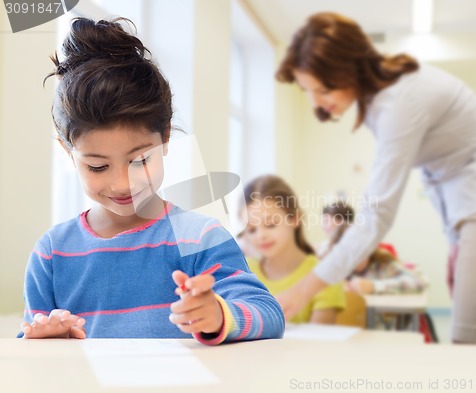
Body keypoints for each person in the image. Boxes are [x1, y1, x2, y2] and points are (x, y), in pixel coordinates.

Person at [18, 17, 285, 344]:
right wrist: (47, 339)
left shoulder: (199, 238)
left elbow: (267, 312)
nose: (122, 184)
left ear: (167, 136)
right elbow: (30, 341)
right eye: (98, 167)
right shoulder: (52, 253)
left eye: (140, 160)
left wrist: (217, 314)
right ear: (68, 151)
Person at [275, 12, 476, 344]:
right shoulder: (381, 100)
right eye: (308, 91)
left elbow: (376, 213)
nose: (316, 102)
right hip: (473, 205)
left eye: (322, 89)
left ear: (349, 69)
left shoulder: (400, 102)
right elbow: (441, 171)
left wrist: (303, 290)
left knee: (472, 338)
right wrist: (456, 238)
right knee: (475, 331)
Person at [243, 175, 345, 324]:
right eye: (251, 229)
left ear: (295, 219)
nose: (261, 236)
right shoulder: (243, 272)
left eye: (271, 224)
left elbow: (319, 343)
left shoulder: (324, 275)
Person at [319, 203, 427, 295]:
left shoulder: (382, 265)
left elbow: (420, 282)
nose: (355, 259)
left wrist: (374, 286)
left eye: (359, 252)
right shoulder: (333, 265)